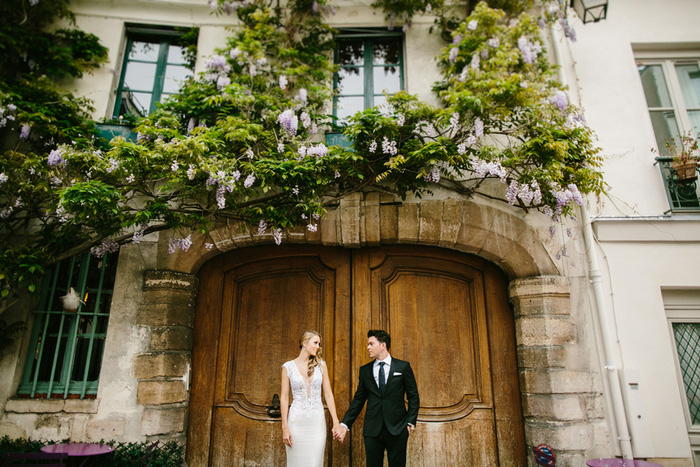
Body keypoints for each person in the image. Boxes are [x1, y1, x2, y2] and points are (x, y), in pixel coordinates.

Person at [333, 329, 419, 467]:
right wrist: (345, 424)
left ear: (383, 345)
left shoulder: (403, 367)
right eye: (368, 344)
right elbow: (359, 400)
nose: (368, 347)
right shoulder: (365, 370)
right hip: (372, 430)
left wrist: (410, 422)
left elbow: (413, 396)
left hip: (397, 428)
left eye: (371, 344)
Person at [281, 330, 341, 467]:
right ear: (304, 343)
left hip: (316, 423)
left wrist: (336, 422)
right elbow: (284, 398)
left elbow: (328, 394)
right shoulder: (287, 367)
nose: (318, 346)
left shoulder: (321, 365)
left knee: (314, 463)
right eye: (315, 343)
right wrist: (285, 427)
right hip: (296, 423)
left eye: (319, 344)